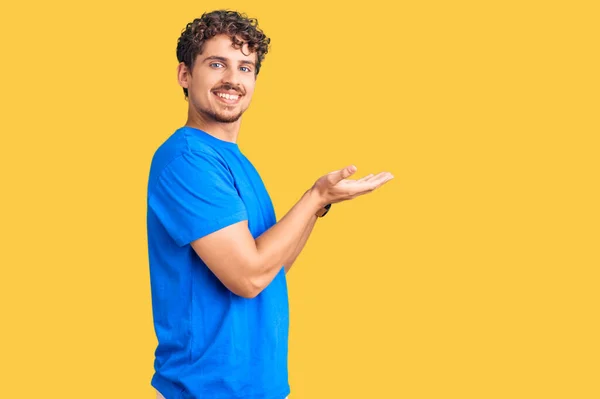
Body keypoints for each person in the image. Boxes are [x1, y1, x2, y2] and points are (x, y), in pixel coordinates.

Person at [146, 9, 394, 399]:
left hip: (258, 388)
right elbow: (248, 278)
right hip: (206, 390)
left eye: (246, 68)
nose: (233, 79)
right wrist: (315, 197)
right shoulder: (187, 160)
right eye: (216, 64)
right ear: (185, 75)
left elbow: (272, 270)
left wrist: (318, 205)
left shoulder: (235, 162)